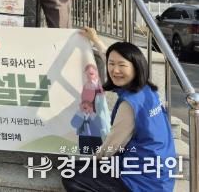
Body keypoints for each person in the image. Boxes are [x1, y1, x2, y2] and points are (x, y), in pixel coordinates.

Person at [63, 27, 177, 192]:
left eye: (121, 65)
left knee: (71, 174)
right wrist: (95, 40)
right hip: (160, 176)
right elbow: (113, 60)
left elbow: (112, 146)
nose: (115, 70)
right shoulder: (146, 90)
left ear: (136, 67)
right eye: (111, 64)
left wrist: (92, 161)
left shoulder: (130, 105)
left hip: (142, 183)